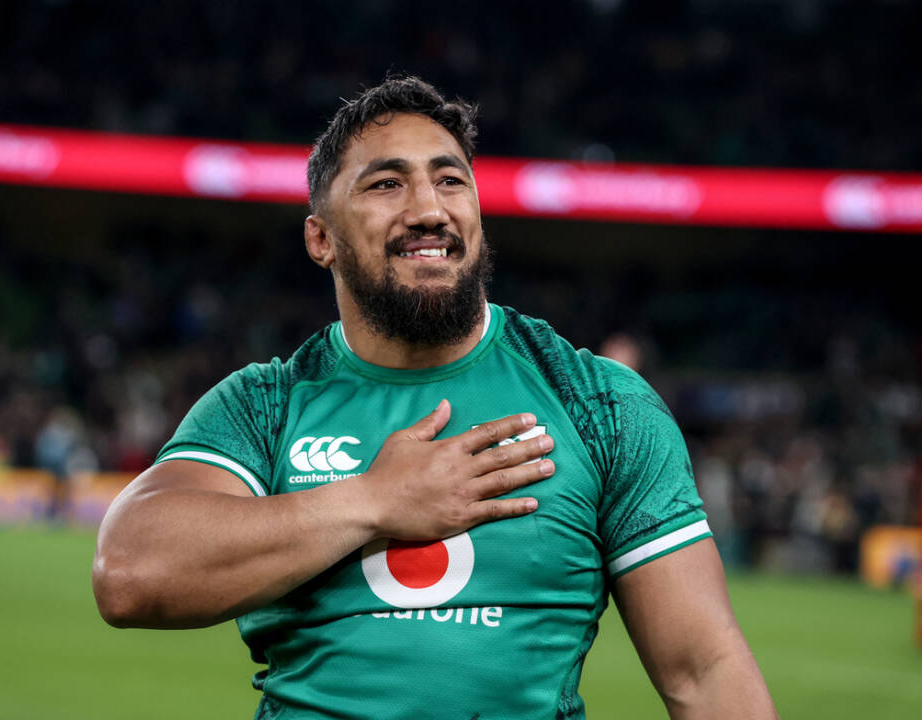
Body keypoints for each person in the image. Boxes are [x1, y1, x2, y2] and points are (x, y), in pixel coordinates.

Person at [93, 75, 777, 720]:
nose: (428, 210)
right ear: (321, 239)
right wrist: (374, 501)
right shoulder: (263, 405)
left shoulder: (600, 403)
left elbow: (704, 670)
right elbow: (129, 573)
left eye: (450, 180)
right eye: (386, 184)